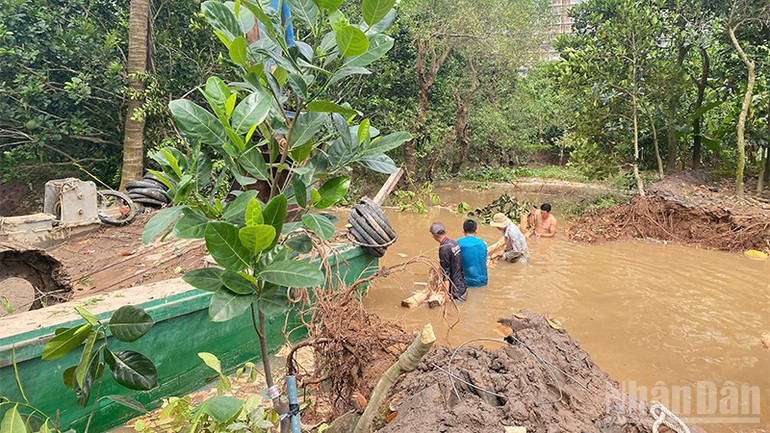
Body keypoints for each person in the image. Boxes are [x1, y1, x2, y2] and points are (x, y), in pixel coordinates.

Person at [429, 222, 468, 301]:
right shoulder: (454, 242)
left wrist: (446, 295)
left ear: (433, 235)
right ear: (445, 231)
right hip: (463, 287)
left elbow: (446, 274)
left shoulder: (444, 249)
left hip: (456, 293)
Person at [457, 219, 488, 287]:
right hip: (483, 280)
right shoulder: (483, 244)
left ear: (463, 231)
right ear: (476, 231)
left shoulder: (458, 243)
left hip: (467, 282)